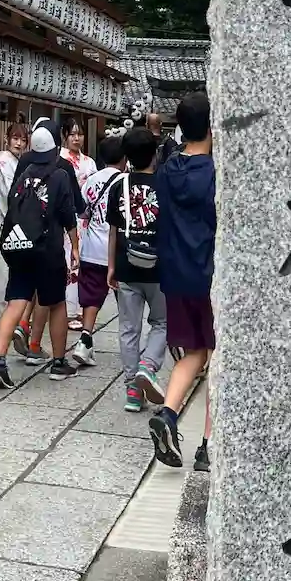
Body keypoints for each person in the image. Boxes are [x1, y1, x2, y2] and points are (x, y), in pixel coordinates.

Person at [148, 91, 215, 471]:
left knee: (193, 352)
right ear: (212, 126)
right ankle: (209, 446)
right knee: (219, 358)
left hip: (175, 276)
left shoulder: (167, 169)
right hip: (210, 277)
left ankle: (169, 414)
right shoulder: (216, 174)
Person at [0, 125, 80, 388]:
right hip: (47, 251)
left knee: (16, 303)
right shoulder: (60, 176)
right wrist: (74, 247)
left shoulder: (23, 174)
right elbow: (68, 216)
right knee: (56, 303)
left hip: (20, 247)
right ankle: (59, 362)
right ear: (53, 151)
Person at [11, 115, 86, 362]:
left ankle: (21, 326)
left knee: (25, 290)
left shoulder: (24, 162)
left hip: (22, 237)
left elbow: (13, 196)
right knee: (49, 295)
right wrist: (75, 246)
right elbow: (74, 207)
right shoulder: (62, 167)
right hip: (51, 240)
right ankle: (37, 346)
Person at [107, 126, 169, 411]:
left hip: (126, 263)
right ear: (154, 153)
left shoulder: (119, 186)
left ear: (127, 157)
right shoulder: (165, 185)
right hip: (159, 267)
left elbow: (113, 230)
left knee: (129, 328)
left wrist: (111, 266)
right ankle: (149, 365)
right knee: (162, 322)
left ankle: (133, 390)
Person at [69, 133, 125, 365]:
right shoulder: (126, 181)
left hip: (92, 249)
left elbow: (82, 212)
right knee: (126, 300)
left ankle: (85, 339)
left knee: (91, 297)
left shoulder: (91, 181)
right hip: (118, 251)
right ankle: (129, 347)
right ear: (124, 158)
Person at [0, 122, 29, 318]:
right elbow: (7, 193)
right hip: (8, 222)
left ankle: (9, 317)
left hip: (14, 221)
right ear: (7, 139)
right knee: (4, 273)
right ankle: (4, 317)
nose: (19, 143)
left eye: (23, 140)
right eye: (15, 138)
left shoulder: (15, 161)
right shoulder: (4, 161)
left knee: (10, 272)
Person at [60, 117, 96, 330]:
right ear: (65, 136)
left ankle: (80, 310)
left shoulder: (89, 162)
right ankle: (66, 310)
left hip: (84, 220)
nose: (76, 138)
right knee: (67, 262)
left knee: (82, 264)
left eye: (79, 134)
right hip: (66, 218)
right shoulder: (60, 159)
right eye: (72, 134)